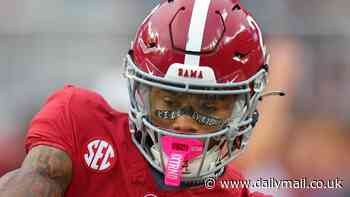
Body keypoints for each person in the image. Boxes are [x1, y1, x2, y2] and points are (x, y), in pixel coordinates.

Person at [0, 0, 280, 196]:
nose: (183, 122)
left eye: (207, 106)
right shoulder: (81, 124)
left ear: (245, 106)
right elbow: (37, 179)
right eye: (168, 102)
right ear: (139, 91)